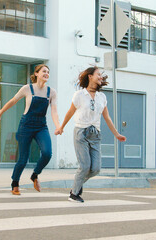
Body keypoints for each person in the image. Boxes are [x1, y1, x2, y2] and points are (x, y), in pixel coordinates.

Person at [55, 66, 126, 202]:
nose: (100, 77)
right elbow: (70, 112)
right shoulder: (79, 95)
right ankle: (74, 194)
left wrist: (116, 134)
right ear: (90, 76)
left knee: (96, 169)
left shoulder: (102, 97)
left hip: (96, 134)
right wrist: (61, 127)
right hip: (81, 133)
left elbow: (107, 117)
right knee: (85, 166)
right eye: (98, 74)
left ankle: (77, 185)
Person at [0, 64, 60, 195]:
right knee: (23, 158)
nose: (46, 74)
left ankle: (35, 175)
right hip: (26, 125)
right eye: (44, 71)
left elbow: (54, 111)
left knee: (47, 153)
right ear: (36, 74)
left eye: (48, 72)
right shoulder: (27, 89)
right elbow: (13, 101)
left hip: (41, 125)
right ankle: (15, 182)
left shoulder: (51, 92)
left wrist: (58, 126)